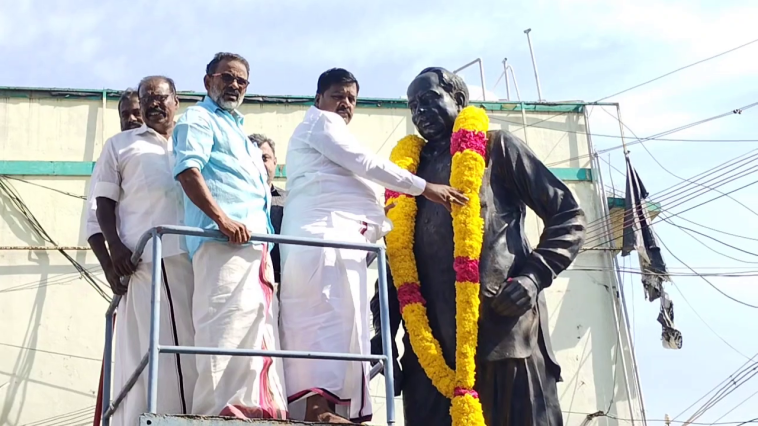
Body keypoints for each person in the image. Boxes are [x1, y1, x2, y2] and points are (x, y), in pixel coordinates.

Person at [370, 67, 587, 426]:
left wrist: (533, 278)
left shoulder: (496, 147)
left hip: (506, 337)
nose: (420, 112)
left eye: (429, 100)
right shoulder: (406, 177)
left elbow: (569, 216)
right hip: (430, 358)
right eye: (413, 106)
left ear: (458, 99)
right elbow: (395, 260)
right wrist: (384, 333)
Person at [279, 68, 466, 424]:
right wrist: (425, 188)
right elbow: (366, 163)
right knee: (323, 326)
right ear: (319, 99)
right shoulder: (320, 124)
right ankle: (318, 410)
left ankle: (334, 411)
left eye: (351, 98)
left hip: (338, 246)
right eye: (338, 95)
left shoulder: (328, 134)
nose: (345, 104)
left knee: (344, 329)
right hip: (322, 243)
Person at [173, 52, 288, 420]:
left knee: (255, 326)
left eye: (241, 80)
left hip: (256, 247)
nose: (234, 85)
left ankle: (257, 407)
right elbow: (188, 171)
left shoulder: (241, 134)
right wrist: (222, 219)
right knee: (224, 325)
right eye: (227, 77)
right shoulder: (198, 118)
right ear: (208, 81)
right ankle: (219, 410)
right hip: (220, 242)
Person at [94, 76, 197, 426]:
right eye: (146, 98)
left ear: (176, 101)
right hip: (148, 263)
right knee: (152, 350)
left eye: (160, 97)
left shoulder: (190, 139)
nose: (153, 103)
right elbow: (102, 204)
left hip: (196, 257)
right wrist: (115, 247)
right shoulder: (120, 145)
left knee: (195, 343)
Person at [86, 88, 143, 294]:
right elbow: (93, 220)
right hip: (132, 264)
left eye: (136, 112)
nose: (131, 119)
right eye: (125, 115)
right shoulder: (114, 149)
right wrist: (109, 266)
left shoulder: (172, 146)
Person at [248, 133, 286, 284]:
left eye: (265, 158)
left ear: (275, 162)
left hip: (283, 281)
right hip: (248, 279)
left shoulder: (289, 201)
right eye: (254, 159)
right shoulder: (237, 202)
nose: (260, 164)